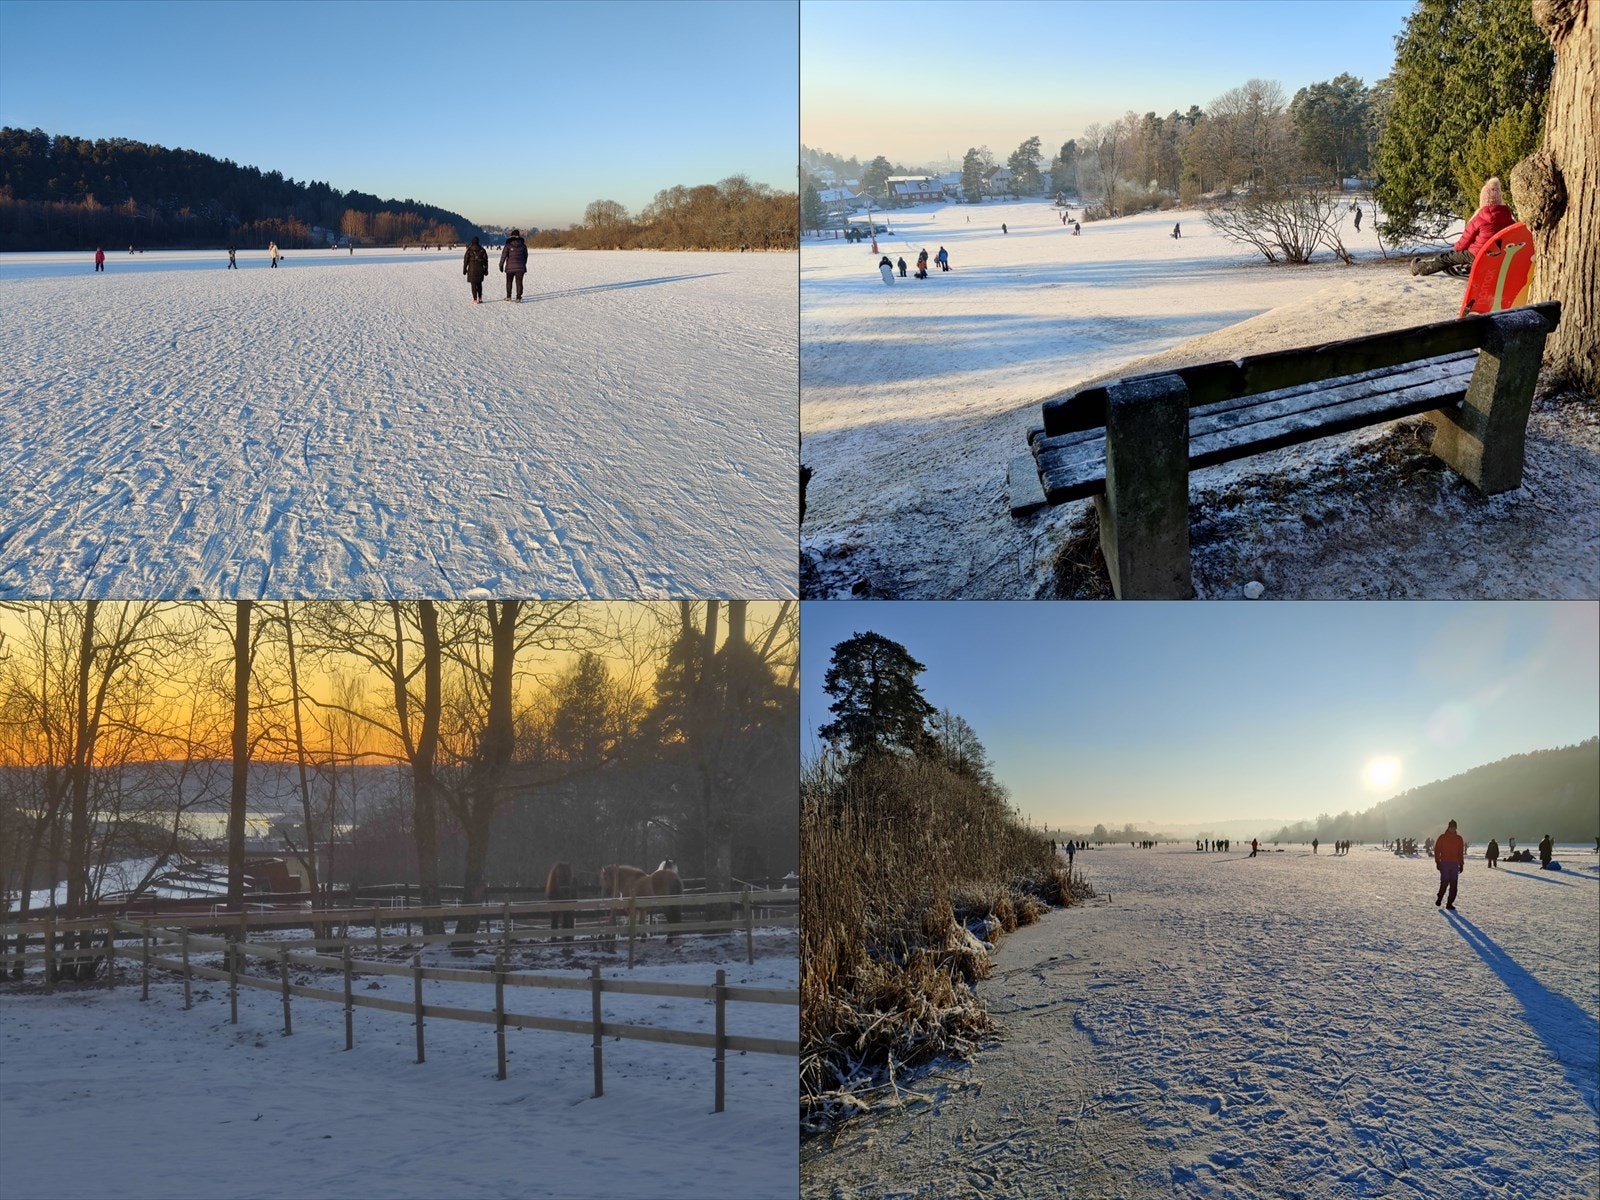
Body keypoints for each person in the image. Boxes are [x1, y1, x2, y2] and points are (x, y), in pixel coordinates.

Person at [1411, 177, 1515, 276]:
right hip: (1500, 255)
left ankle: (1419, 268)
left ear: (1482, 201)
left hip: (1476, 255)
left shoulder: (1478, 220)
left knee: (1446, 258)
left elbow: (1464, 242)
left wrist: (1457, 249)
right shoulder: (1509, 219)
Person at [1434, 819, 1465, 909]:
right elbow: (1437, 850)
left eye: (1454, 827)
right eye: (1451, 827)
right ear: (1448, 827)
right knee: (1444, 882)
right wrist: (1437, 862)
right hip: (1445, 863)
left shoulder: (1459, 839)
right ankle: (1440, 897)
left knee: (1454, 885)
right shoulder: (1442, 837)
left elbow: (1460, 852)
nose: (1453, 829)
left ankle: (1449, 903)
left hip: (1454, 864)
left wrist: (1461, 864)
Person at [499, 228, 529, 300]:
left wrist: (501, 264)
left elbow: (504, 255)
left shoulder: (508, 245)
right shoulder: (523, 245)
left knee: (509, 282)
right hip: (520, 267)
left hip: (510, 267)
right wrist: (523, 263)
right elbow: (526, 255)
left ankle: (509, 296)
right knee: (519, 282)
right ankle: (518, 297)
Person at [462, 236, 488, 304]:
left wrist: (464, 269)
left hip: (471, 269)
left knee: (473, 284)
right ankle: (480, 298)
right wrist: (486, 270)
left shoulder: (469, 250)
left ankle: (475, 299)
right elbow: (485, 261)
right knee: (479, 284)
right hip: (480, 269)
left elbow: (465, 260)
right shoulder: (482, 250)